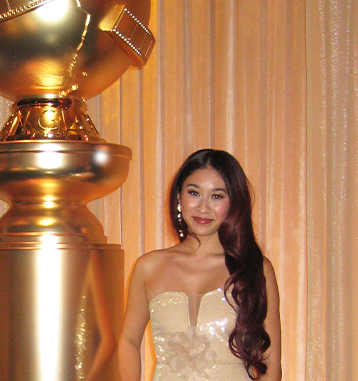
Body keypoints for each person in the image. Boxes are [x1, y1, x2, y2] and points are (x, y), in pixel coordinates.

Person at [118, 149, 281, 381]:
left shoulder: (255, 269)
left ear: (234, 202)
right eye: (194, 193)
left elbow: (271, 361)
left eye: (217, 196)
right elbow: (129, 341)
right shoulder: (148, 267)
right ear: (179, 197)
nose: (203, 208)